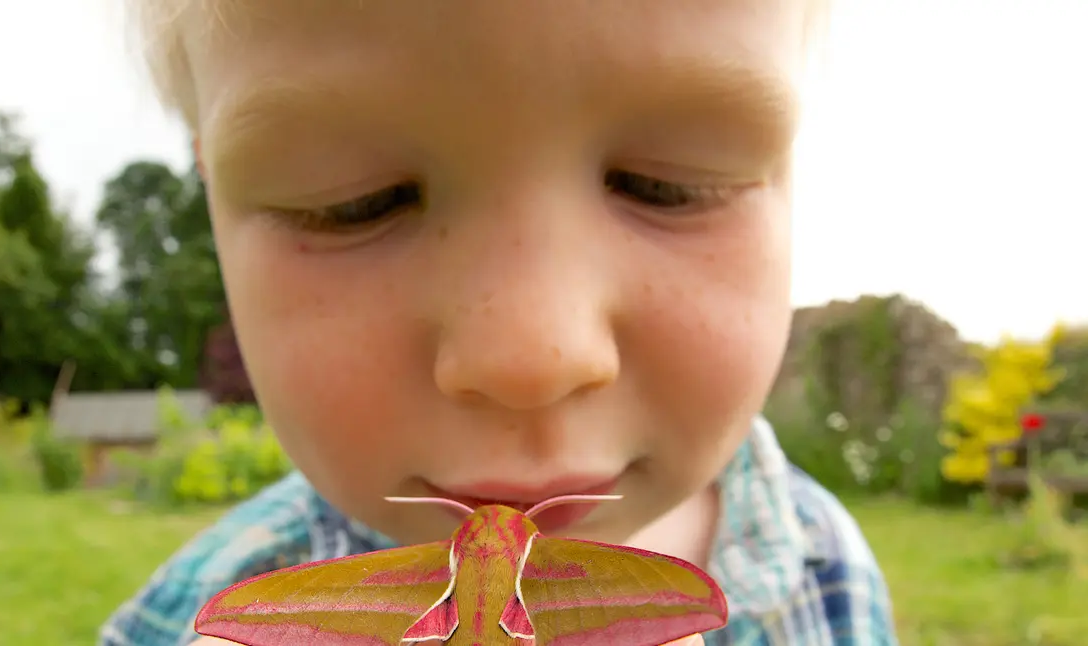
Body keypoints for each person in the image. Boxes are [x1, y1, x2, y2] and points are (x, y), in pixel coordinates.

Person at [101, 1, 897, 644]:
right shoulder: (188, 616)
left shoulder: (825, 564)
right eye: (351, 204)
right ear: (208, 184)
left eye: (670, 186)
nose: (532, 356)